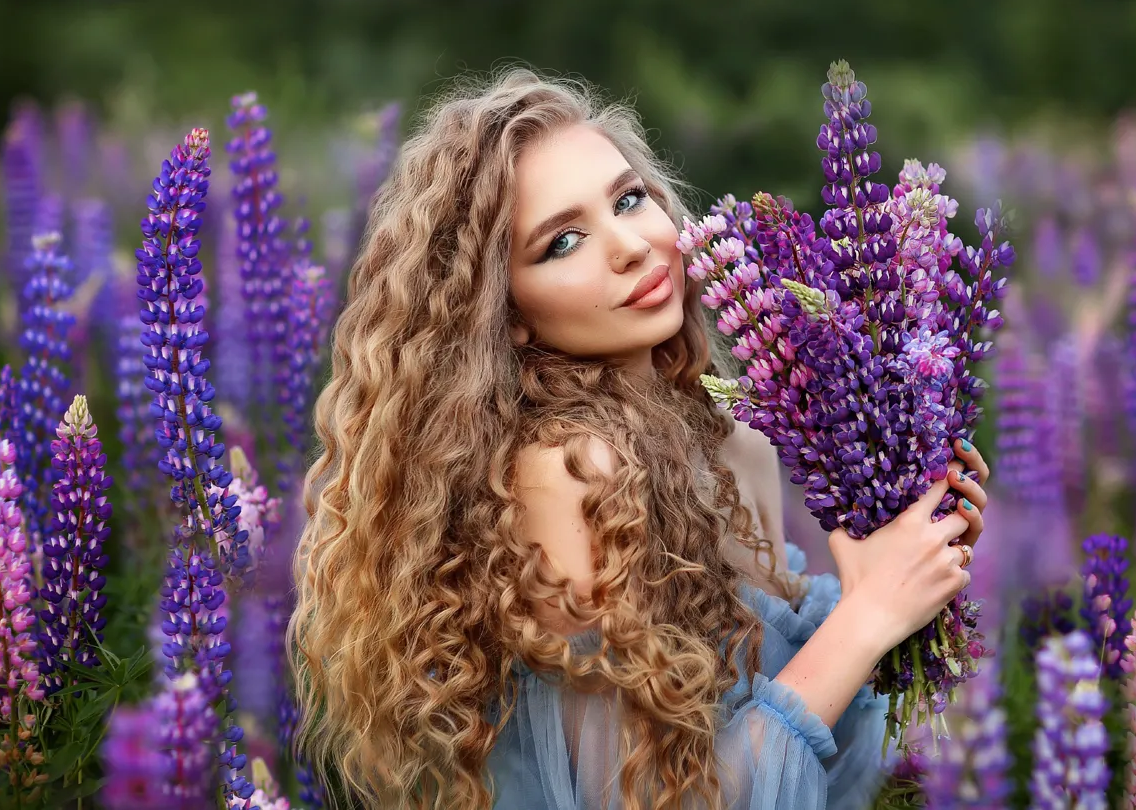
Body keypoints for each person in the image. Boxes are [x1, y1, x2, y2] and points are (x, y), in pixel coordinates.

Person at [288, 66, 991, 810]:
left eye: (629, 199)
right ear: (509, 312)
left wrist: (904, 566)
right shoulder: (566, 473)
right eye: (562, 242)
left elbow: (818, 737)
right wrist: (869, 615)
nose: (629, 245)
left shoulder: (735, 443)